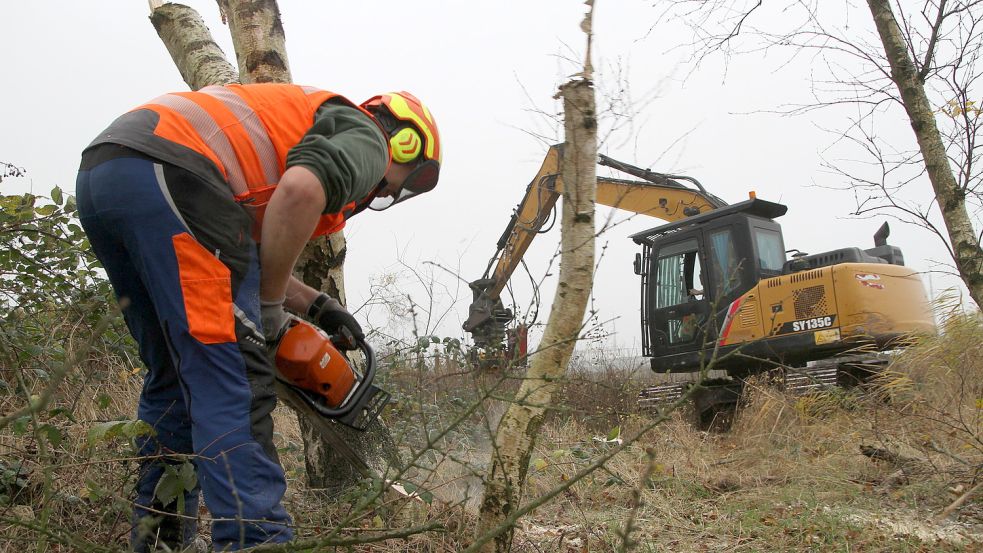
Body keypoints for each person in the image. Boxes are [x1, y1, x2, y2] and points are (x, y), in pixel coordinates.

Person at [75, 84, 441, 551]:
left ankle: (160, 540)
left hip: (109, 174)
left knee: (174, 377)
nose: (388, 190)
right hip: (174, 168)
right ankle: (255, 540)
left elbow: (233, 260)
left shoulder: (284, 139)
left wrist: (315, 306)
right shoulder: (368, 136)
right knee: (236, 376)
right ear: (407, 143)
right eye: (404, 180)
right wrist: (266, 313)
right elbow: (304, 189)